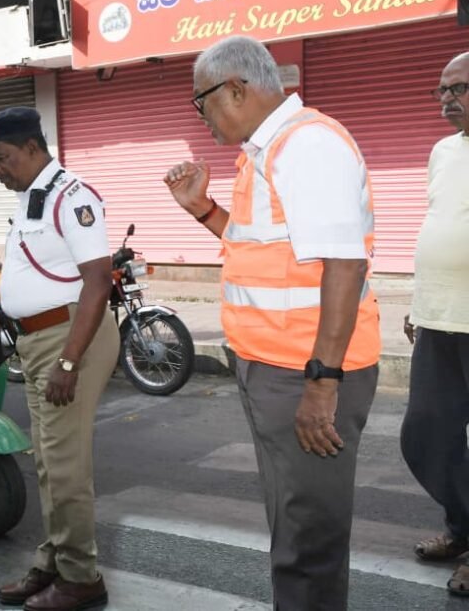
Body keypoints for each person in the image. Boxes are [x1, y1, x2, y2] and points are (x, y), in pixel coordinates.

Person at [164, 35, 380, 610]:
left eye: (200, 101)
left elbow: (344, 262)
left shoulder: (305, 144)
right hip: (275, 369)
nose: (201, 116)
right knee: (292, 522)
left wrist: (321, 381)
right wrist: (203, 209)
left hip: (303, 373)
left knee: (308, 539)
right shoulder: (265, 152)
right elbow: (262, 250)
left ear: (236, 88)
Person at [0, 107, 118, 611]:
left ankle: (81, 577)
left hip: (71, 336)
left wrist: (69, 362)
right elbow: (13, 281)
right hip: (35, 339)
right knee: (49, 462)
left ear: (31, 147)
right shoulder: (31, 200)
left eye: (2, 158)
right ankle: (55, 560)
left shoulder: (72, 197)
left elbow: (98, 282)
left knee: (65, 464)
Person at [399, 51, 469, 597]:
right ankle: (463, 525)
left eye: (460, 88)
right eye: (442, 89)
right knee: (425, 435)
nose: (448, 99)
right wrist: (418, 305)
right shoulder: (442, 152)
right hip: (438, 320)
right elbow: (441, 227)